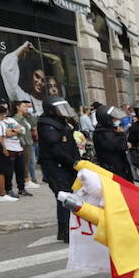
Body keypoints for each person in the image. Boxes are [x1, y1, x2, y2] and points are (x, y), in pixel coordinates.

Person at [34, 96, 81, 242]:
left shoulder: (61, 122)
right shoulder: (47, 124)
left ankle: (64, 230)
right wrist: (72, 162)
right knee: (64, 197)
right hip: (56, 166)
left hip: (66, 165)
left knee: (65, 197)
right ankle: (66, 231)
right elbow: (55, 148)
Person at [91, 106, 132, 181]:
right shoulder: (103, 133)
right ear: (107, 119)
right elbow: (121, 146)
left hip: (116, 166)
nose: (116, 120)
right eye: (113, 118)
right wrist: (121, 134)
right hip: (113, 168)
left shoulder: (106, 130)